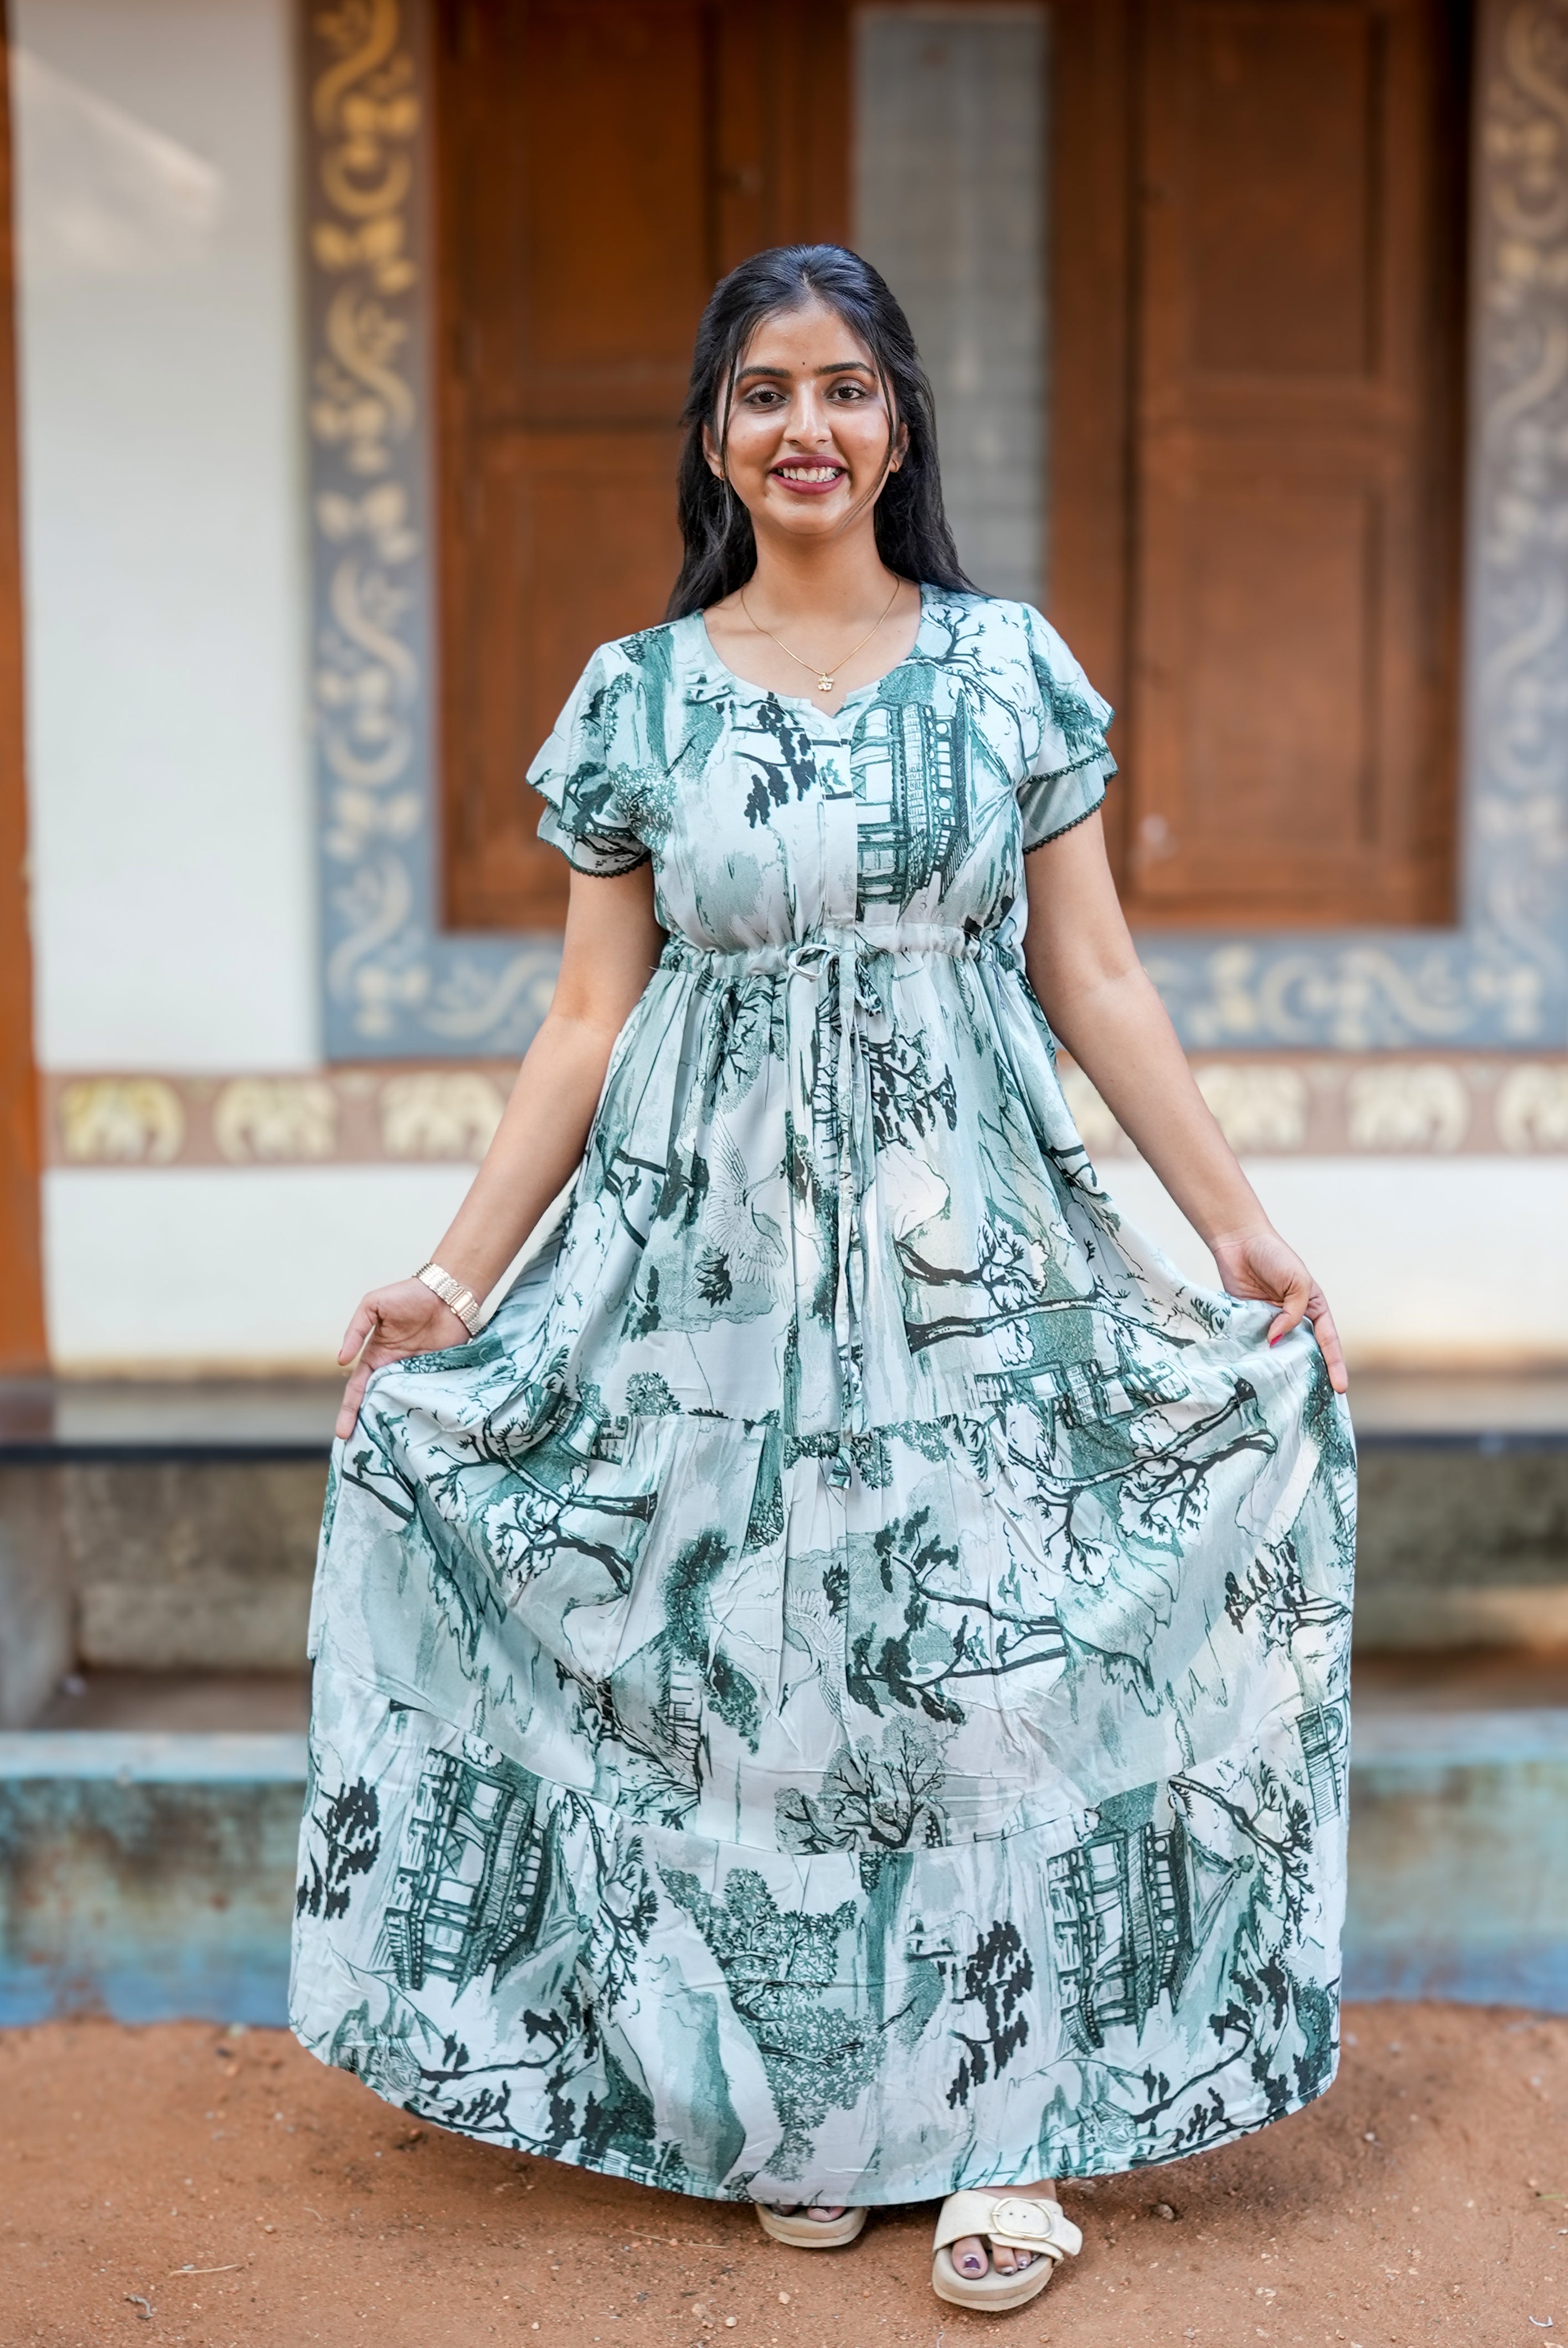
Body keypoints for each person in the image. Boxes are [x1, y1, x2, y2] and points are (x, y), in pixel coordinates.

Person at [291, 244, 1355, 2317]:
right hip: (701, 1272)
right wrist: (452, 1279)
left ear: (897, 426)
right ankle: (815, 2116)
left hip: (978, 1249)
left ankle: (1007, 2128)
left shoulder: (1005, 669)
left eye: (847, 387)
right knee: (746, 1669)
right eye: (766, 390)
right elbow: (584, 1025)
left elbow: (1096, 975)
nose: (808, 425)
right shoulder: (639, 696)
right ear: (716, 437)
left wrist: (1233, 1222)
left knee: (982, 1650)